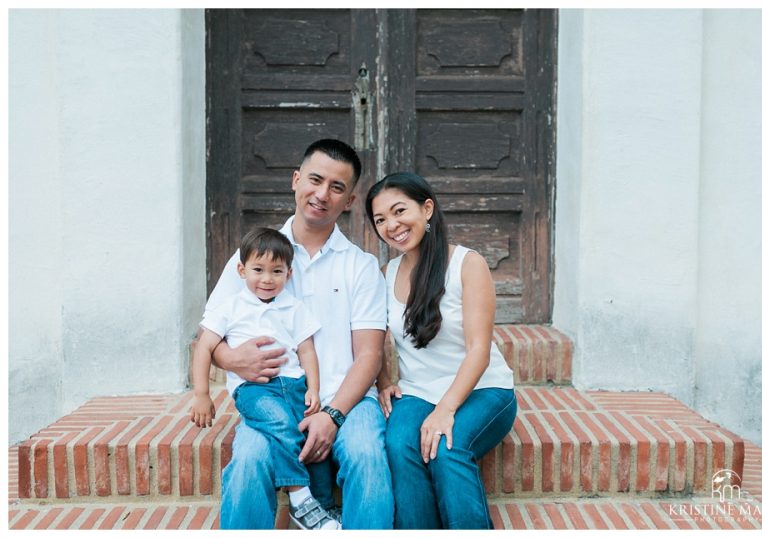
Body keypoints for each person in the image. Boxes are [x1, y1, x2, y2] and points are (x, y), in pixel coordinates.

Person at [206, 139, 393, 529]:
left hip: (349, 399)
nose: (322, 194)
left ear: (350, 201)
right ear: (296, 181)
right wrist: (229, 358)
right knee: (248, 462)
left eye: (337, 187)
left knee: (367, 455)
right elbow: (211, 333)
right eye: (315, 180)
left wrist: (333, 414)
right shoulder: (254, 257)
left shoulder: (360, 266)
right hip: (276, 400)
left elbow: (370, 357)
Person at [365, 171, 517, 529]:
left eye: (400, 211)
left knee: (447, 449)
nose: (392, 225)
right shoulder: (386, 273)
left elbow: (479, 350)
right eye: (381, 220)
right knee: (400, 445)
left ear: (427, 208)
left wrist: (446, 409)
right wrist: (384, 379)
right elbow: (369, 336)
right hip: (418, 392)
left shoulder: (467, 264)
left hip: (483, 389)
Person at [190, 226, 339, 530]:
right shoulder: (230, 307)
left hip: (295, 387)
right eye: (258, 269)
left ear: (289, 274)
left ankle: (322, 509)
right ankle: (299, 497)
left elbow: (307, 351)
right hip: (255, 390)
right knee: (282, 425)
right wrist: (201, 394)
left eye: (277, 271)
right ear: (241, 270)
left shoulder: (294, 308)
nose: (267, 279)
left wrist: (314, 389)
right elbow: (204, 347)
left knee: (313, 440)